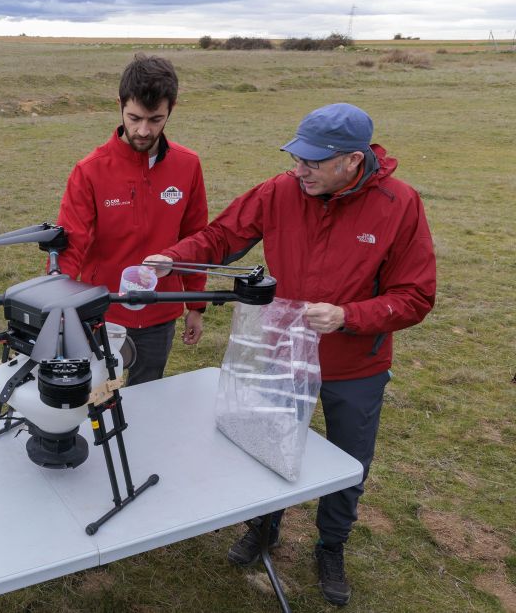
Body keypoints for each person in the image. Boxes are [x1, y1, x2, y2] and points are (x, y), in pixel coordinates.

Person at [146, 103, 436, 605]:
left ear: (352, 160)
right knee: (269, 444)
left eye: (312, 162)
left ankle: (331, 546)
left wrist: (348, 316)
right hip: (283, 353)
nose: (299, 170)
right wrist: (175, 257)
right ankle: (264, 527)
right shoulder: (280, 191)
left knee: (349, 461)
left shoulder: (399, 204)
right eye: (296, 158)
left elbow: (416, 295)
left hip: (356, 365)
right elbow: (223, 236)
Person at [55, 53, 209, 386]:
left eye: (155, 119)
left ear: (171, 109)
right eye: (134, 117)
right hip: (101, 312)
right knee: (95, 395)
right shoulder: (90, 171)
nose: (143, 130)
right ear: (120, 105)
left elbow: (196, 238)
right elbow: (71, 244)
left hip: (160, 311)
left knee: (147, 394)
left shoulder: (188, 165)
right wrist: (59, 308)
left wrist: (196, 304)